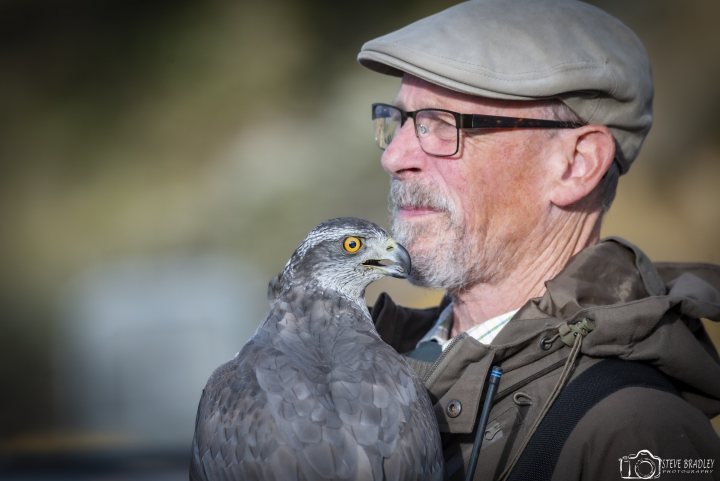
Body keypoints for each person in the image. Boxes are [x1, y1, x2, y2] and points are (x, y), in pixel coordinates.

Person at [357, 1, 720, 480]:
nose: (396, 156)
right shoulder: (365, 363)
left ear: (576, 164)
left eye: (442, 123)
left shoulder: (633, 434)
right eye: (399, 119)